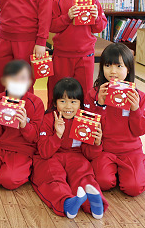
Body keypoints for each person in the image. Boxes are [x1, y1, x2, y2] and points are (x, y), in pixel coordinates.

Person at [32, 77, 107, 219]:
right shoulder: (48, 118)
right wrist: (57, 135)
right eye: (62, 101)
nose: (68, 107)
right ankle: (66, 203)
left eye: (73, 102)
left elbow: (89, 155)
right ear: (55, 103)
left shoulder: (85, 120)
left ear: (80, 103)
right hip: (51, 156)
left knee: (83, 174)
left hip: (76, 156)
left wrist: (96, 143)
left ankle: (95, 204)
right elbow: (44, 152)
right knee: (52, 175)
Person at [85, 44, 145, 196]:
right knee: (102, 182)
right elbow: (87, 129)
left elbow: (142, 129)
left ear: (128, 69)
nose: (113, 71)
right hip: (104, 150)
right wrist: (99, 105)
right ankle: (116, 171)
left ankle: (137, 166)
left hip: (131, 151)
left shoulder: (139, 96)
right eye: (107, 65)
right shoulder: (94, 93)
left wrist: (135, 110)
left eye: (119, 66)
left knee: (133, 188)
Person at [0, 60, 44, 189]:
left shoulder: (36, 103)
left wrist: (25, 125)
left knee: (9, 181)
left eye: (22, 79)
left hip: (22, 149)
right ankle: (2, 171)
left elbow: (35, 138)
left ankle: (22, 170)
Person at [48, 0, 107, 99]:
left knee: (85, 90)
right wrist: (67, 17)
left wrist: (96, 18)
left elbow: (99, 28)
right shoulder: (58, 1)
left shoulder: (94, 2)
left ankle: (84, 113)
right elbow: (51, 26)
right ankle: (52, 112)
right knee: (57, 88)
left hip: (85, 55)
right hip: (62, 55)